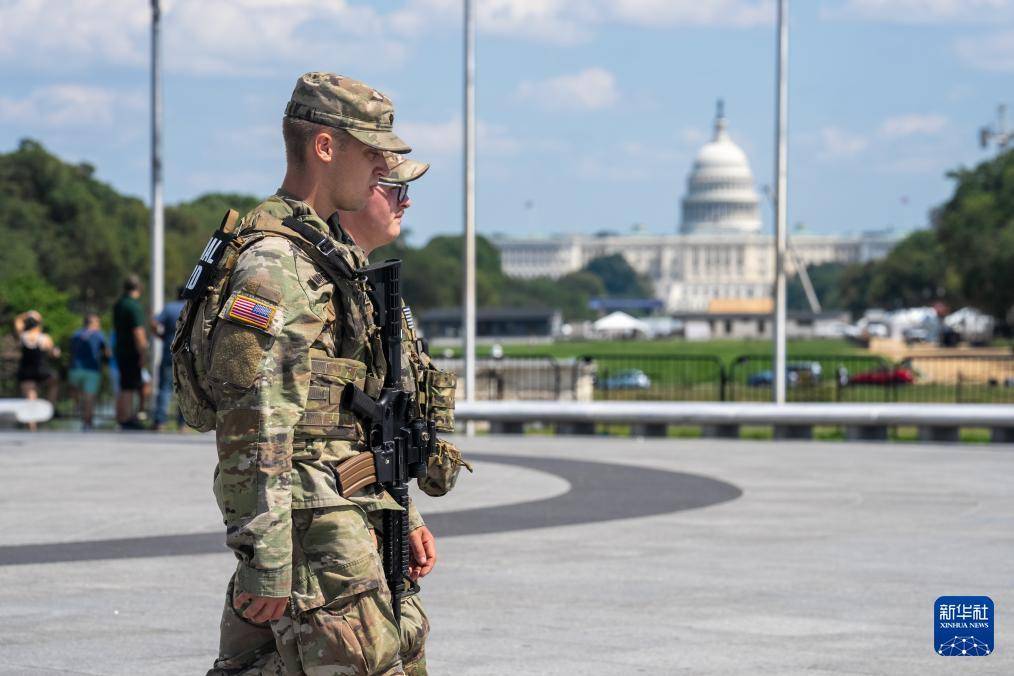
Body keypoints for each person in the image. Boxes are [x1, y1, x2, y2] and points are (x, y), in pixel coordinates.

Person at [205, 72, 432, 676]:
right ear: (325, 147)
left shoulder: (322, 253)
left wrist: (398, 509)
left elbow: (350, 411)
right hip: (307, 512)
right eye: (371, 151)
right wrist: (267, 555)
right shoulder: (274, 263)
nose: (383, 165)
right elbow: (253, 420)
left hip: (335, 499)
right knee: (368, 660)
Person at [14, 310, 60, 431]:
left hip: (26, 371)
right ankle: (50, 407)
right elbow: (53, 354)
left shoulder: (22, 336)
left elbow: (17, 321)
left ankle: (32, 425)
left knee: (31, 397)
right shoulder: (44, 338)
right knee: (54, 382)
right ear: (39, 324)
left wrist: (27, 313)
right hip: (41, 371)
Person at [112, 275, 148, 429]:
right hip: (131, 351)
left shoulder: (119, 304)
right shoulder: (134, 306)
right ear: (139, 288)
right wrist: (143, 352)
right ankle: (127, 419)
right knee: (130, 386)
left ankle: (121, 417)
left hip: (120, 349)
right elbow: (138, 331)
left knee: (124, 384)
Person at [68, 313, 110, 430]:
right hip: (92, 369)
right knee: (89, 398)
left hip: (75, 369)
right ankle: (87, 423)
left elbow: (70, 350)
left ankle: (78, 406)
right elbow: (106, 352)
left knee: (74, 391)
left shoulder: (75, 334)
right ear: (93, 323)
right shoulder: (99, 335)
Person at [150, 290, 185, 431]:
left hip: (169, 351)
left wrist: (160, 335)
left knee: (164, 388)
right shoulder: (192, 306)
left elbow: (154, 322)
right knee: (185, 389)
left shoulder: (169, 307)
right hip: (186, 354)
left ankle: (160, 422)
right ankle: (182, 424)